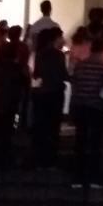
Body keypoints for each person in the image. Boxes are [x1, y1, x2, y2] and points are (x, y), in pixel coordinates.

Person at [70, 38, 103, 190]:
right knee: (95, 143)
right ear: (102, 52)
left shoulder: (80, 66)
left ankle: (78, 177)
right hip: (96, 108)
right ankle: (93, 177)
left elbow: (74, 86)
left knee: (80, 142)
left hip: (80, 106)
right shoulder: (102, 68)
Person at [0, 42, 28, 168]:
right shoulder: (16, 69)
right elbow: (24, 84)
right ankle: (5, 157)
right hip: (11, 103)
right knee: (8, 130)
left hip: (0, 102)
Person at [32, 27, 68, 167]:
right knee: (53, 126)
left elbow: (37, 74)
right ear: (55, 38)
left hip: (42, 93)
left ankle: (40, 157)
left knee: (42, 125)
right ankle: (50, 158)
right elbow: (63, 74)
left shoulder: (40, 54)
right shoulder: (59, 55)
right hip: (55, 92)